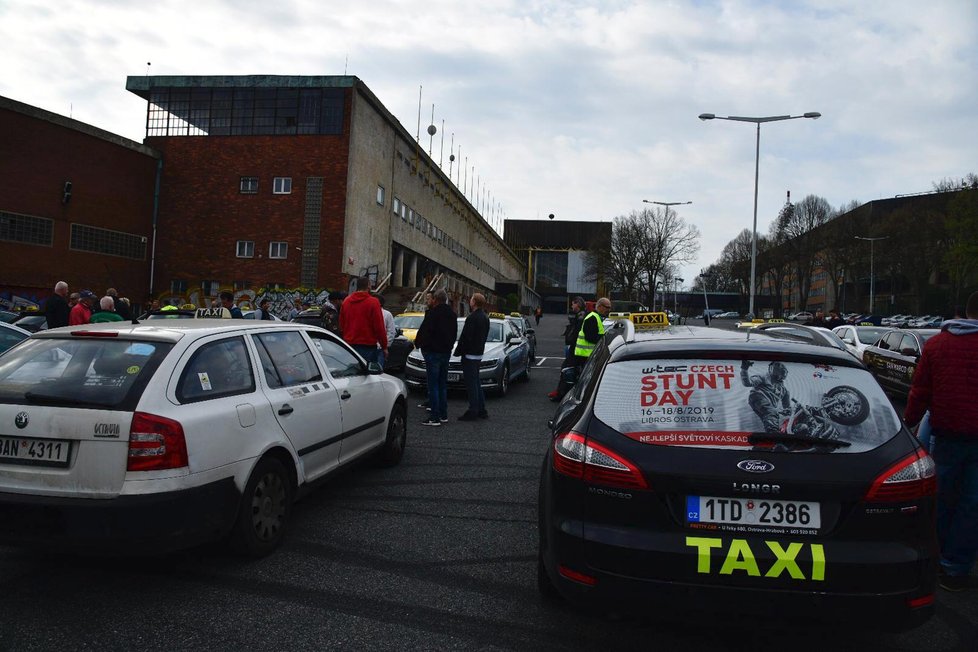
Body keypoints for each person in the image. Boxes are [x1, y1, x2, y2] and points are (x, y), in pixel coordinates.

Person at [904, 291, 978, 592]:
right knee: (972, 505)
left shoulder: (937, 345)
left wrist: (907, 424)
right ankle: (956, 568)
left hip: (947, 433)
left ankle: (933, 557)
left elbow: (919, 391)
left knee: (942, 497)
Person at [415, 289, 457, 426]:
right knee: (442, 385)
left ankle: (434, 417)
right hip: (445, 352)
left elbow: (425, 332)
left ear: (436, 299)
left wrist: (422, 346)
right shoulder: (452, 314)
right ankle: (443, 414)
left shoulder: (433, 313)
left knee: (433, 385)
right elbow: (454, 333)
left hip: (433, 352)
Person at [455, 293, 490, 421]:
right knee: (476, 382)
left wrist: (460, 351)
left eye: (471, 299)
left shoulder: (472, 317)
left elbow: (466, 337)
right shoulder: (485, 317)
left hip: (469, 355)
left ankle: (473, 410)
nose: (470, 301)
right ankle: (481, 409)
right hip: (478, 353)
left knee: (471, 384)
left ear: (474, 302)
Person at [339, 277, 388, 365]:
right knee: (369, 374)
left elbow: (342, 324)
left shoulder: (346, 301)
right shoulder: (374, 302)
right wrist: (384, 347)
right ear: (368, 286)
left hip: (349, 344)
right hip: (367, 346)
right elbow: (379, 327)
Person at [548, 296, 586, 401]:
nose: (571, 306)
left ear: (577, 304)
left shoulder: (581, 317)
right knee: (568, 370)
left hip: (578, 350)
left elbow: (576, 333)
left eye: (573, 304)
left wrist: (571, 340)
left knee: (567, 370)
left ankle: (561, 394)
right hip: (578, 349)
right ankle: (560, 391)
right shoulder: (579, 316)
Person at [741, 360, 791, 433]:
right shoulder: (763, 377)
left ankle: (774, 432)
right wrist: (744, 369)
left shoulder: (784, 390)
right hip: (758, 397)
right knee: (771, 412)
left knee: (774, 416)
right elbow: (748, 383)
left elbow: (787, 408)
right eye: (779, 371)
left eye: (782, 372)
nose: (780, 374)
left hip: (769, 406)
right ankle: (772, 431)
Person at [574, 297, 612, 368]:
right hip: (585, 356)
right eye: (607, 307)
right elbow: (590, 337)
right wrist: (604, 339)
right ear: (600, 306)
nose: (608, 310)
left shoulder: (596, 317)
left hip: (588, 355)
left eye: (610, 308)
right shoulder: (592, 318)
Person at [377, 296, 396, 370]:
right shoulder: (368, 312)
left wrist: (384, 346)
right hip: (369, 346)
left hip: (380, 348)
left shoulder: (387, 314)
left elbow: (391, 331)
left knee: (378, 370)